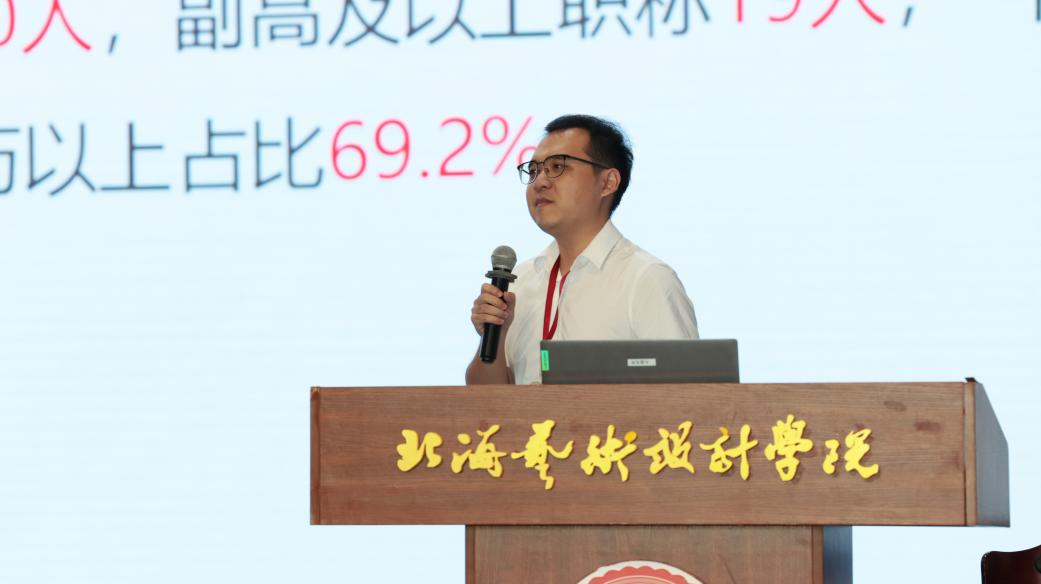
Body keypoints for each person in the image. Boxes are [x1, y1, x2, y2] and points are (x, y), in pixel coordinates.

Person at [465, 115, 698, 385]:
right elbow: (486, 400)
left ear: (608, 182)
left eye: (557, 167)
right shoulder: (521, 281)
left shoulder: (646, 279)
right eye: (534, 170)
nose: (540, 182)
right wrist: (495, 336)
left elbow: (687, 396)